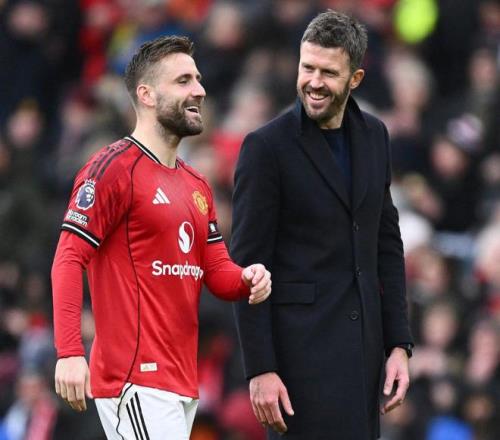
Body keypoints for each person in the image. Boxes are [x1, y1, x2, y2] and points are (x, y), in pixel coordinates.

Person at [51, 35, 272, 440]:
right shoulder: (112, 169)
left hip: (180, 379)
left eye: (198, 79)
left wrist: (247, 278)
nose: (199, 90)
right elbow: (68, 257)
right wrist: (69, 352)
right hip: (134, 379)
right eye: (183, 80)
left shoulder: (196, 184)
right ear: (147, 94)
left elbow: (215, 269)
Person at [231, 10, 413, 440]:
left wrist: (399, 345)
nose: (314, 82)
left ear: (356, 78)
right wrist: (260, 368)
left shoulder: (375, 136)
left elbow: (386, 245)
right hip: (297, 369)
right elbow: (246, 268)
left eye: (328, 72)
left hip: (364, 361)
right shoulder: (265, 147)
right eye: (307, 67)